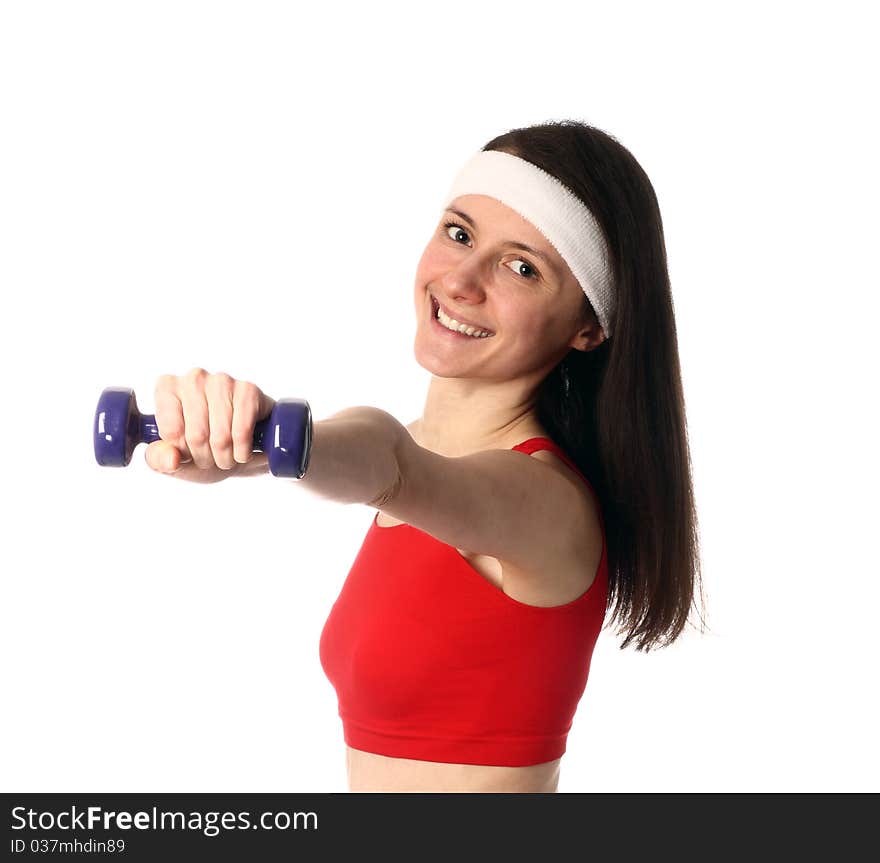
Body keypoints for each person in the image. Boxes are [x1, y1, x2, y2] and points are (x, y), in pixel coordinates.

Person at [144, 119, 706, 792]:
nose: (462, 279)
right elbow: (377, 448)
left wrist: (283, 445)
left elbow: (389, 462)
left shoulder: (548, 504)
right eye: (460, 233)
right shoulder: (416, 448)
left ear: (588, 327)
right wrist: (242, 448)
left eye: (522, 267)